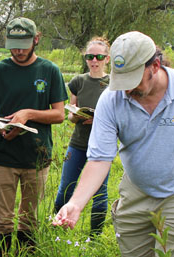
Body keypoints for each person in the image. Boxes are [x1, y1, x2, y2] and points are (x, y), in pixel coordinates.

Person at [54, 31, 174, 257]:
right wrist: (75, 203)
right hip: (136, 191)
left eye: (133, 81)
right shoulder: (111, 99)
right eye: (121, 81)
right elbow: (99, 159)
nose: (127, 90)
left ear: (155, 65)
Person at [0, 17, 67, 257]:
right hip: (4, 155)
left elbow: (59, 114)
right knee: (2, 220)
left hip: (37, 155)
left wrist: (28, 114)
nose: (18, 50)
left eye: (24, 43)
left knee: (30, 219)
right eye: (13, 44)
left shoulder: (49, 70)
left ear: (36, 39)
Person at [53, 36, 111, 236]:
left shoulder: (113, 83)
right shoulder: (78, 81)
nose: (94, 60)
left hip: (103, 146)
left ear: (107, 59)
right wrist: (77, 115)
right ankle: (57, 228)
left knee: (100, 193)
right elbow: (70, 113)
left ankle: (95, 237)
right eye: (90, 56)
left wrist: (99, 119)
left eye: (98, 56)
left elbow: (118, 117)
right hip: (78, 142)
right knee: (66, 187)